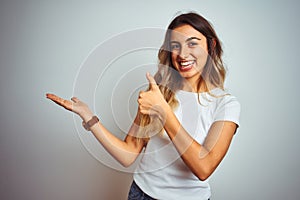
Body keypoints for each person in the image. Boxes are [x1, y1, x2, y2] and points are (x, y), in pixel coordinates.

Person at [46, 12, 240, 200]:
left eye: (192, 43)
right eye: (175, 46)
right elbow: (128, 154)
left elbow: (204, 168)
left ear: (211, 45)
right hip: (141, 195)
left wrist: (164, 112)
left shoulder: (226, 104)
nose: (182, 54)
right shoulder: (159, 92)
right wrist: (89, 117)